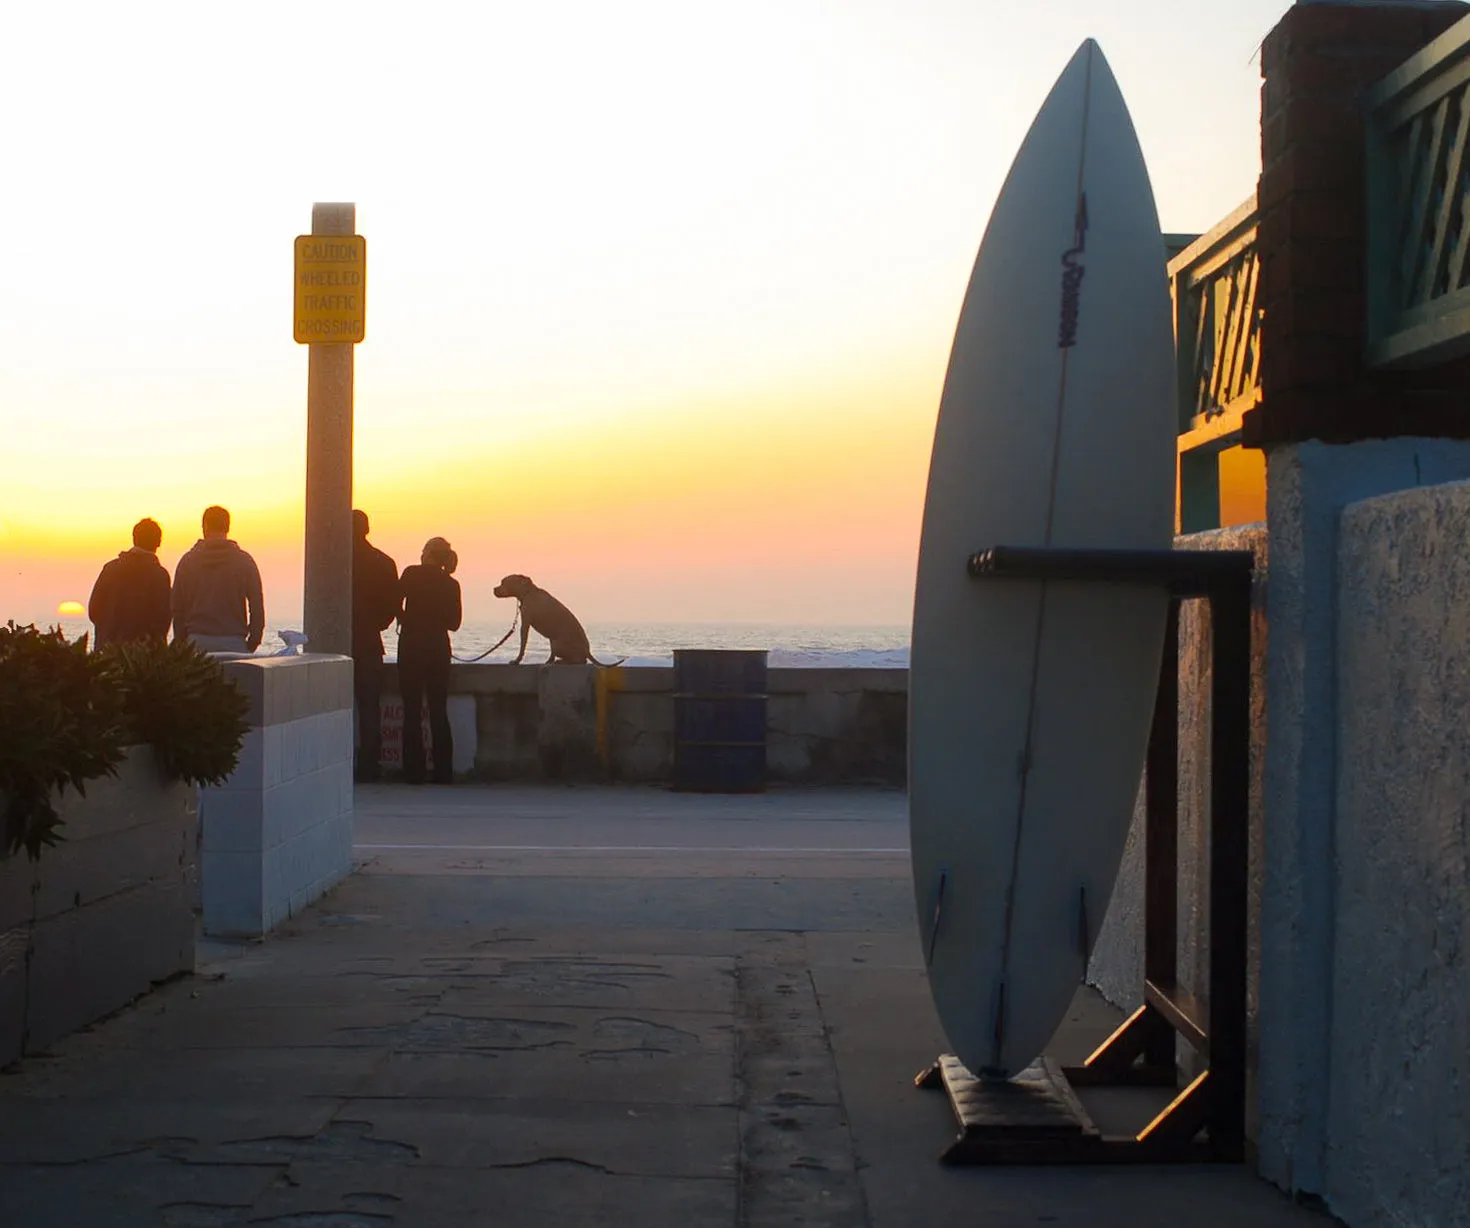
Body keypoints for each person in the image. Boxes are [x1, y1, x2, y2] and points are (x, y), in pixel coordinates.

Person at [396, 536, 461, 784]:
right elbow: (454, 624)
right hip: (438, 649)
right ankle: (444, 771)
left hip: (412, 647)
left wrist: (406, 618)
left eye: (423, 550)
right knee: (438, 710)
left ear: (429, 553)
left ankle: (414, 771)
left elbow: (394, 602)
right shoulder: (451, 584)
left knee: (411, 711)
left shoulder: (411, 574)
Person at [172, 505, 265, 654]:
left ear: (204, 527)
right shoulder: (244, 561)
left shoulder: (187, 561)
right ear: (227, 527)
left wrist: (182, 642)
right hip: (234, 643)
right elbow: (256, 606)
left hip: (196, 643)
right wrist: (253, 641)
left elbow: (177, 609)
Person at [351, 509, 400, 782]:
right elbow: (391, 609)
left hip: (337, 643)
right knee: (370, 707)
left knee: (335, 708)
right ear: (367, 529)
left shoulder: (332, 560)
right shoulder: (384, 562)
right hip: (370, 642)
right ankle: (370, 765)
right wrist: (373, 624)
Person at [87, 518, 172, 649]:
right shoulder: (159, 576)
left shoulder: (110, 569)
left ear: (134, 538)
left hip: (107, 653)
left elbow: (94, 610)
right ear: (158, 542)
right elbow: (162, 621)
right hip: (142, 658)